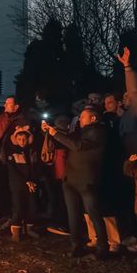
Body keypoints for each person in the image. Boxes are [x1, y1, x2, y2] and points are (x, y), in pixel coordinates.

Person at [44, 105, 109, 259]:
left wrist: (56, 134)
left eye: (83, 117)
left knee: (94, 214)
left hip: (85, 180)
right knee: (73, 214)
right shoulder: (83, 130)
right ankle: (76, 245)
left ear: (93, 118)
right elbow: (70, 140)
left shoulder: (98, 132)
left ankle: (103, 248)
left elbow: (77, 145)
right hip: (71, 178)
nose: (79, 119)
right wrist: (53, 131)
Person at [3, 124, 41, 241]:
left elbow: (37, 168)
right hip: (18, 185)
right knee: (18, 207)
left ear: (28, 139)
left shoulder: (32, 151)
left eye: (24, 139)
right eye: (19, 139)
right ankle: (16, 231)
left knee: (32, 206)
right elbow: (13, 171)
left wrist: (33, 181)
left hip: (31, 184)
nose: (22, 141)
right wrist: (26, 181)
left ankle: (29, 229)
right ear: (15, 140)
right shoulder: (12, 153)